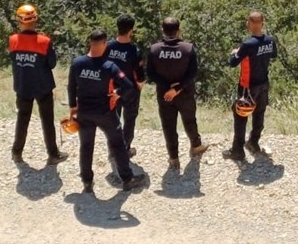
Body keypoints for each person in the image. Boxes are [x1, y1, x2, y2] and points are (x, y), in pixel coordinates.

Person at [68, 29, 143, 193]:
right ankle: (127, 179)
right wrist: (118, 94)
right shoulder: (109, 66)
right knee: (118, 144)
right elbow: (129, 86)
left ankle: (87, 182)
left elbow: (71, 87)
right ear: (104, 44)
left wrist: (73, 107)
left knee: (86, 146)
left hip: (84, 113)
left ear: (90, 43)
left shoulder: (77, 63)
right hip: (105, 113)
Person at [9, 3, 67, 166]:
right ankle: (53, 154)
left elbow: (14, 60)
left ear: (19, 21)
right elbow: (52, 63)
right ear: (36, 20)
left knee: (22, 119)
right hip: (43, 86)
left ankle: (17, 153)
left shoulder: (13, 41)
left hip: (23, 86)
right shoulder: (44, 41)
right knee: (47, 121)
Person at [146, 16, 207, 170]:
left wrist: (168, 88)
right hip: (184, 93)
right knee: (190, 120)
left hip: (164, 94)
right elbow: (193, 73)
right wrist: (177, 88)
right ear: (179, 31)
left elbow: (150, 74)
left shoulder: (154, 49)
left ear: (163, 31)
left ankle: (173, 158)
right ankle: (196, 146)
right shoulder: (188, 48)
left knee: (168, 126)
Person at [225, 11, 277, 162]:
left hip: (247, 86)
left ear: (248, 24)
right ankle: (253, 143)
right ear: (263, 23)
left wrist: (235, 53)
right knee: (259, 114)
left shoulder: (247, 44)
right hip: (263, 84)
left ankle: (237, 151)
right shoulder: (270, 41)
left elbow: (232, 62)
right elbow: (273, 55)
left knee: (240, 115)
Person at [104, 14, 145, 158]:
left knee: (112, 120)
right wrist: (139, 86)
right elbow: (140, 75)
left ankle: (112, 148)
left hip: (111, 89)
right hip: (129, 91)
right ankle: (125, 149)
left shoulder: (107, 46)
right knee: (129, 120)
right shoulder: (134, 50)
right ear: (131, 31)